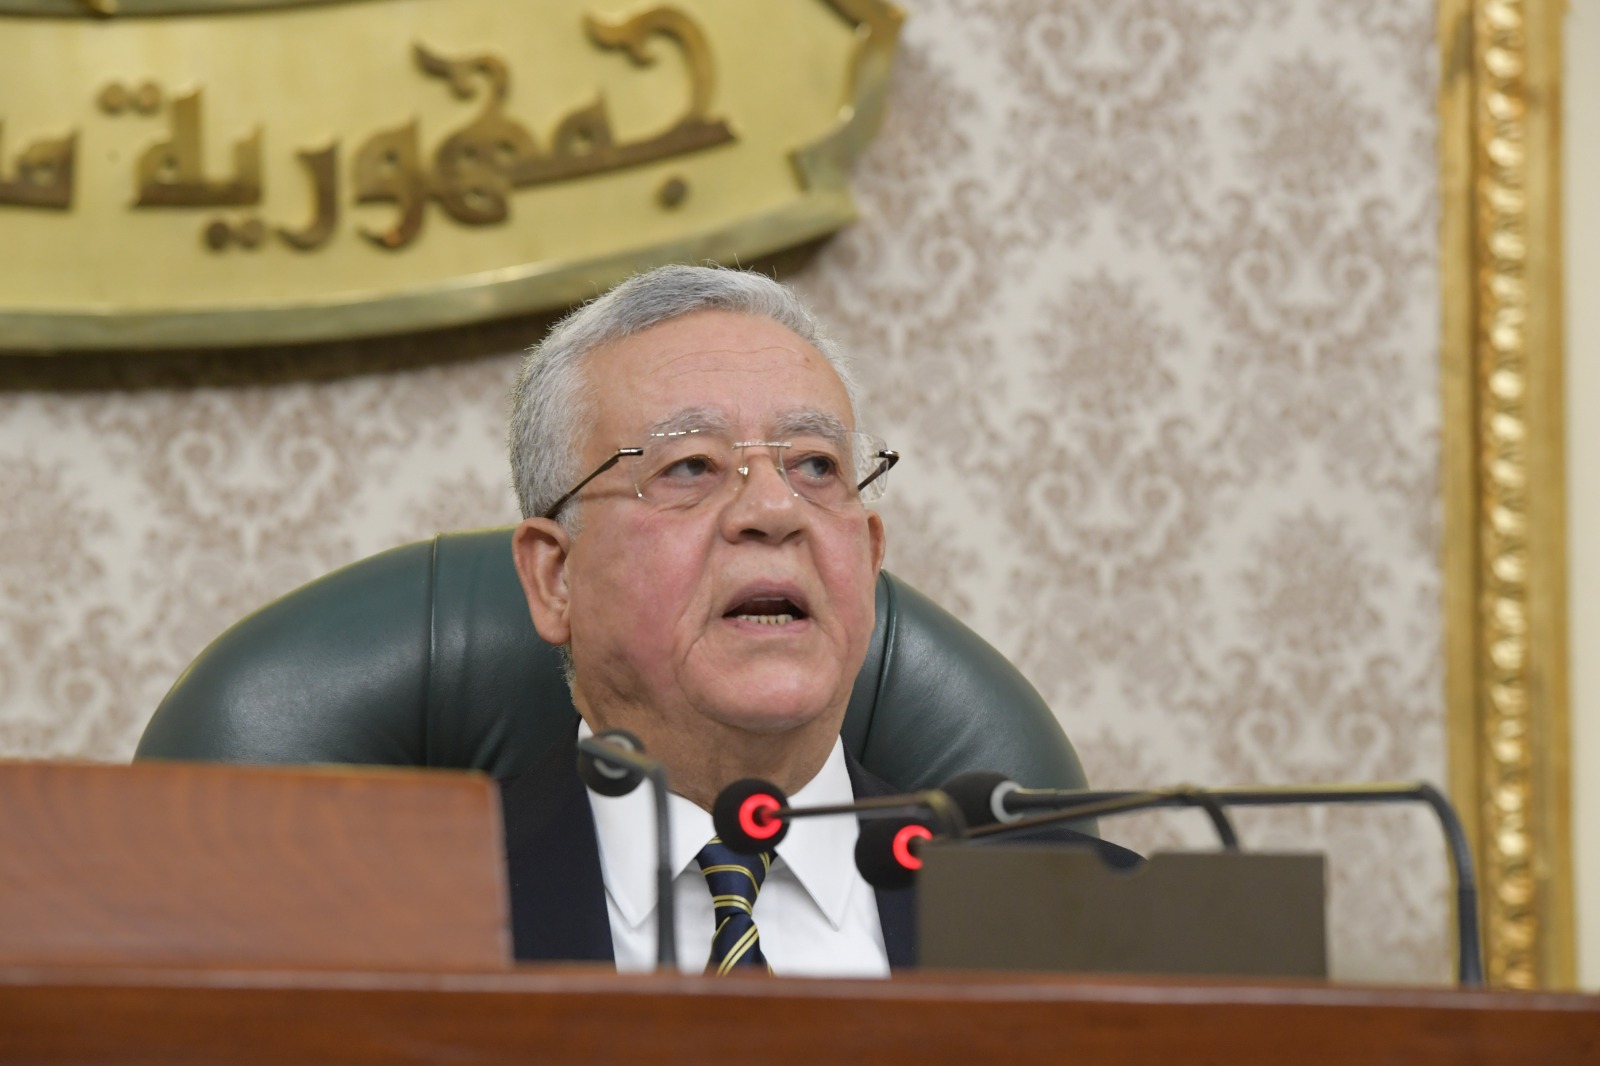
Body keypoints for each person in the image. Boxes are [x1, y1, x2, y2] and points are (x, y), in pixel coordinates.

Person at [499, 263, 1133, 976]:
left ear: (868, 559)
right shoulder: (412, 913)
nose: (775, 510)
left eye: (815, 466)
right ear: (555, 577)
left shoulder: (1104, 930)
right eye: (692, 465)